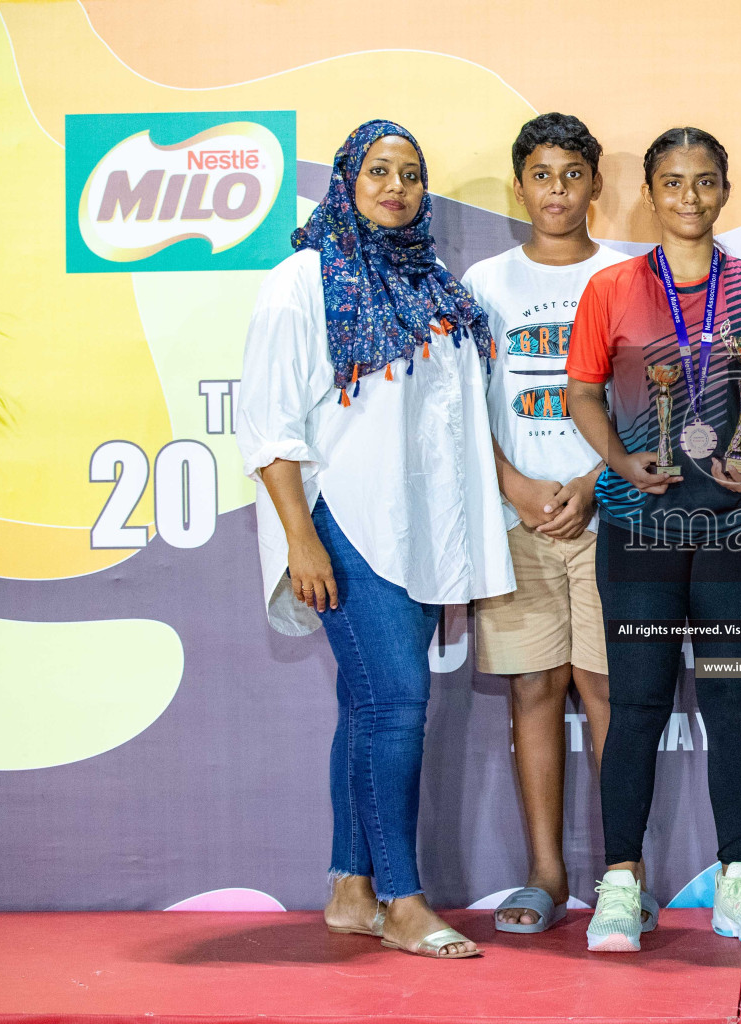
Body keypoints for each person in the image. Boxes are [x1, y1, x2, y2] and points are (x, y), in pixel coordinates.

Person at [236, 119, 514, 959]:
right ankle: (402, 899)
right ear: (347, 182)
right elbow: (269, 428)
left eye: (411, 173)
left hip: (422, 534)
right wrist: (300, 540)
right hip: (343, 525)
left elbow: (453, 429)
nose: (396, 186)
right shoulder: (304, 280)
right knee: (395, 705)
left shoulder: (441, 289)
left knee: (366, 707)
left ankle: (349, 888)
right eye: (378, 171)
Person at [565, 127, 741, 952]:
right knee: (635, 709)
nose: (689, 197)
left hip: (736, 529)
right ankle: (622, 885)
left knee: (733, 704)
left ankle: (738, 882)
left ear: (724, 190)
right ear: (651, 194)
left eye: (704, 181)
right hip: (639, 527)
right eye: (672, 182)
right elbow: (584, 392)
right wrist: (623, 457)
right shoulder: (612, 289)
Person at [460, 113, 627, 934]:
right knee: (533, 689)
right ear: (519, 184)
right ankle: (546, 875)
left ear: (596, 184)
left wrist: (596, 481)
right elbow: (458, 407)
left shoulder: (632, 275)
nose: (556, 191)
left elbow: (651, 404)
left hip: (611, 519)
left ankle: (622, 878)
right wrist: (515, 485)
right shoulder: (484, 283)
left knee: (605, 691)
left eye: (572, 174)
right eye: (541, 174)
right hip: (516, 518)